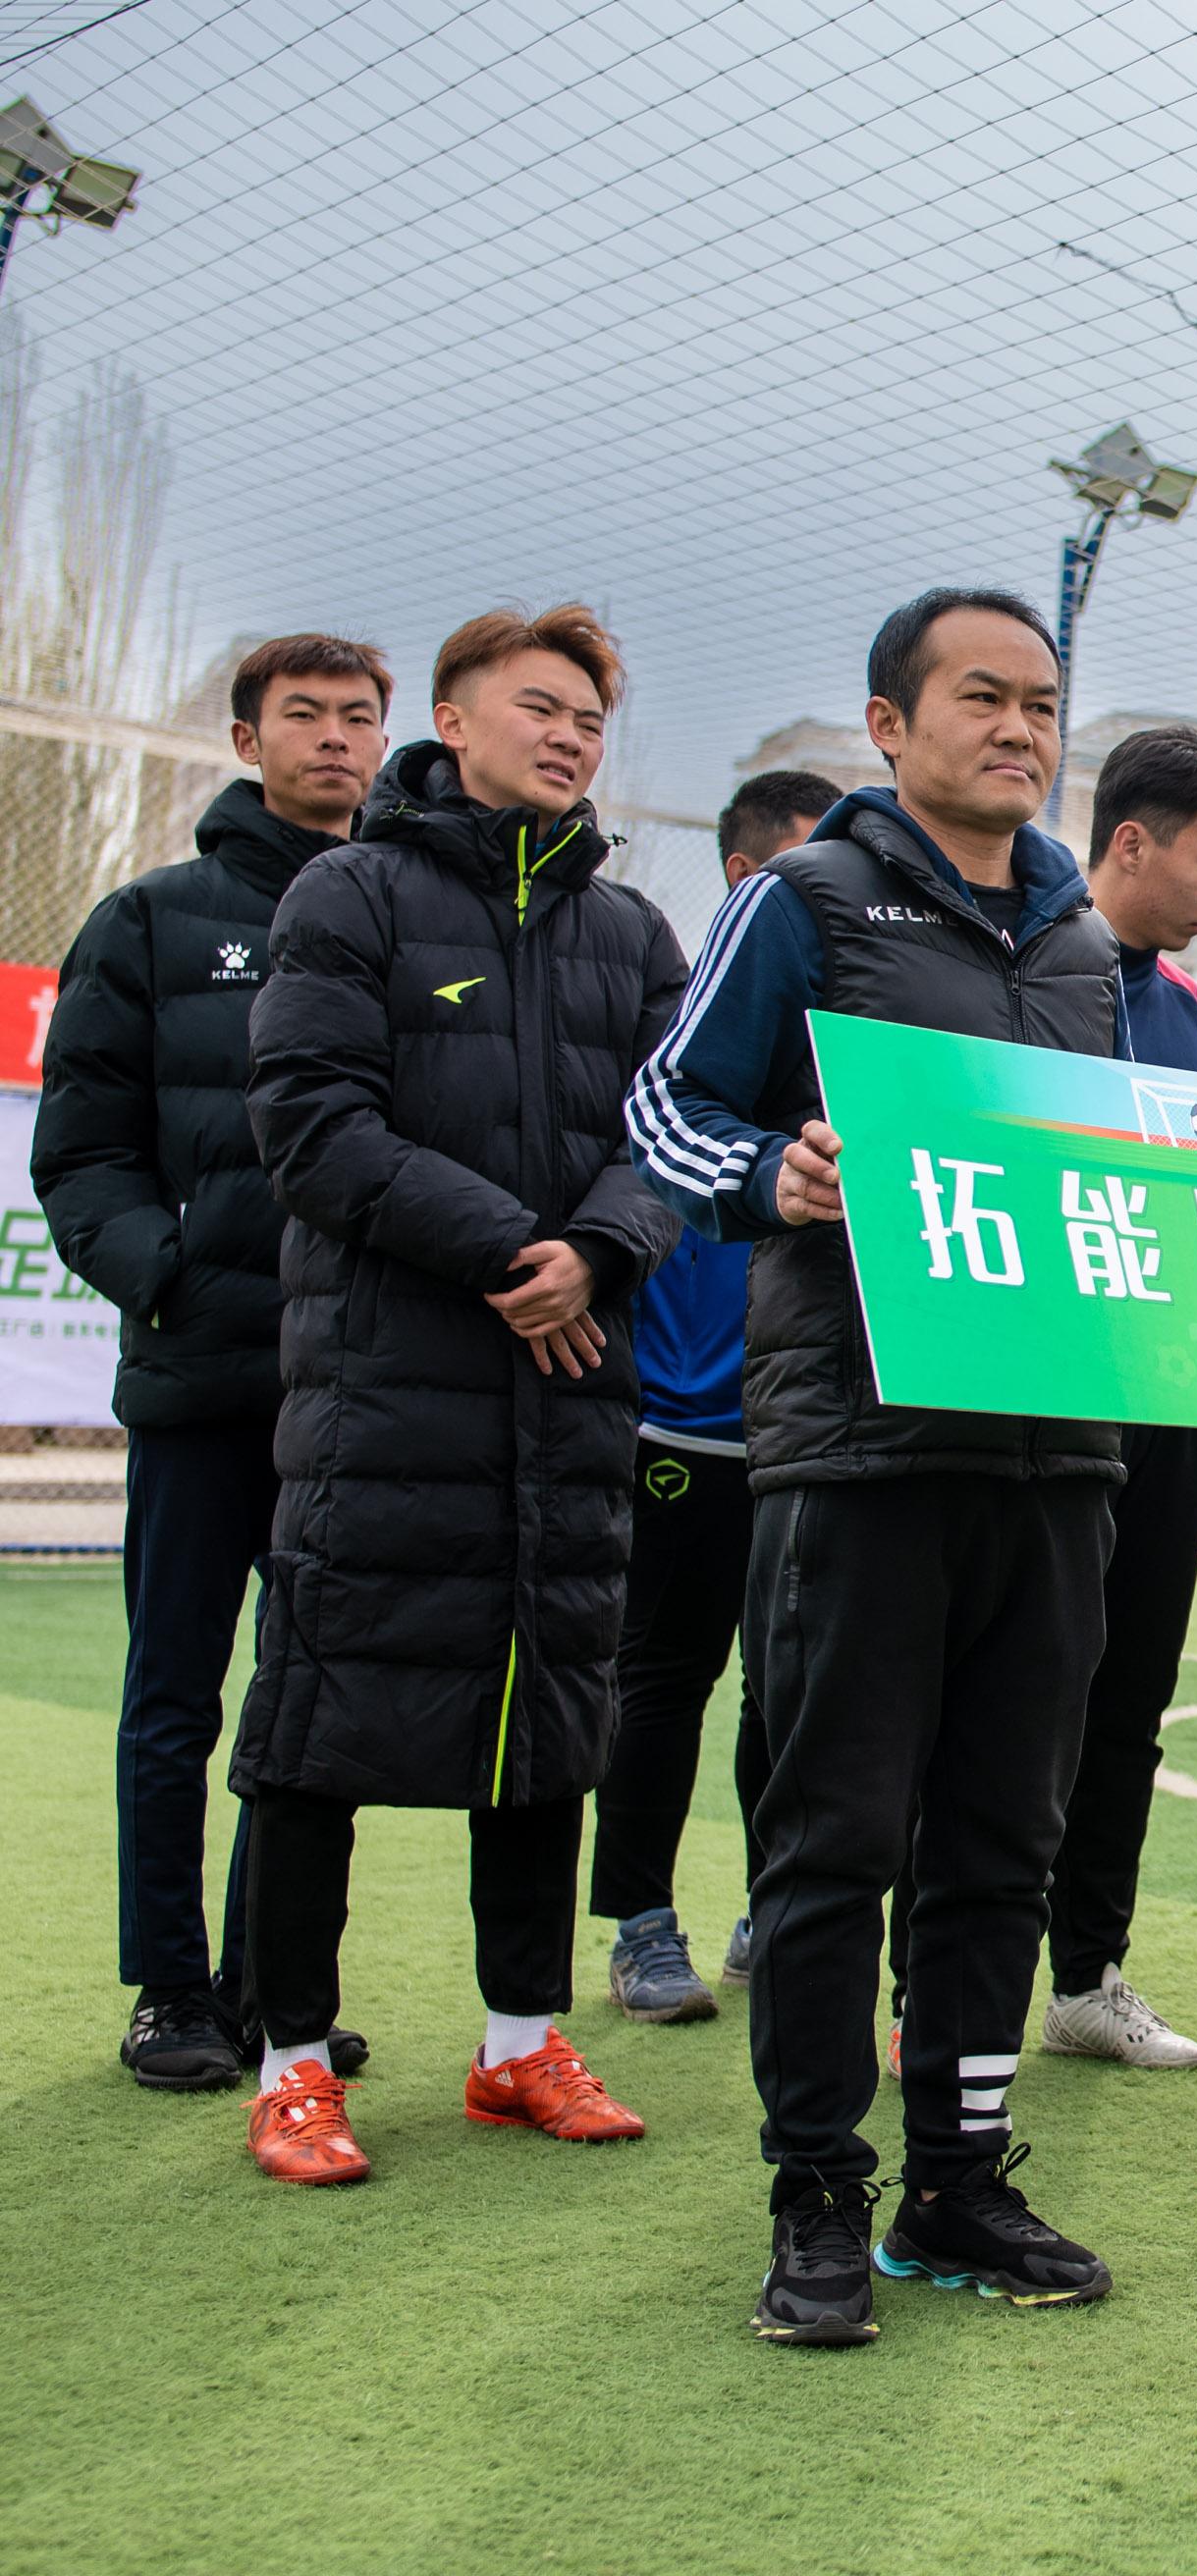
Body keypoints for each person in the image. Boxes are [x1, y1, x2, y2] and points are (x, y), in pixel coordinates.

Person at [633, 587, 1127, 2340]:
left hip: (1057, 1456)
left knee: (1006, 1840)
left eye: (1041, 700)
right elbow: (666, 1109)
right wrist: (773, 1172)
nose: (1018, 726)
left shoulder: (1084, 947)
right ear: (889, 723)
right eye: (980, 696)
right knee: (835, 1843)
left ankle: (959, 2177)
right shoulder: (805, 900)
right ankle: (816, 2193)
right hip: (859, 1444)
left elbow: (1116, 1182)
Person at [229, 605, 688, 2184]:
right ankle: (292, 2065)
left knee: (551, 1719)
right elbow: (310, 1124)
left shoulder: (631, 932)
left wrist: (606, 1248)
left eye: (592, 720)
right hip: (384, 1391)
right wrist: (520, 1251)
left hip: (566, 1400)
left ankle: (518, 2046)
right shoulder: (346, 891)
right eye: (542, 708)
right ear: (455, 717)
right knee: (316, 1734)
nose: (571, 738)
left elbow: (674, 1134)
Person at [35, 633, 392, 2093]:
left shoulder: (399, 918)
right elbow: (83, 1156)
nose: (332, 739)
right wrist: (169, 1279)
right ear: (248, 741)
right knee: (175, 1698)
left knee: (310, 1712)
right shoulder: (151, 922)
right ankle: (171, 1991)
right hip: (202, 1381)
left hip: (352, 1390)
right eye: (300, 715)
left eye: (356, 717)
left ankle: (272, 1991)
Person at [585, 769, 837, 2025]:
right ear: (748, 888)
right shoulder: (674, 1054)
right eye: (806, 882)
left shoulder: (854, 1041)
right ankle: (637, 1921)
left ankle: (766, 1910)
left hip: (813, 1426)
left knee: (788, 1688)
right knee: (661, 1677)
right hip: (684, 1420)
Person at [1035, 725, 1197, 2071]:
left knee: (1133, 1691)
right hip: (1030, 1392)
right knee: (1002, 1695)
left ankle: (1087, 1977)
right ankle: (927, 1984)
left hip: (1161, 1395)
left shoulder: (1191, 1011)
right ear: (1131, 843)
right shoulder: (1018, 969)